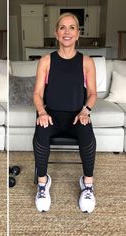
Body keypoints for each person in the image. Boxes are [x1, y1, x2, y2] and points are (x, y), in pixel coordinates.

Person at [33, 12, 97, 213]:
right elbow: (36, 94)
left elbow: (93, 94)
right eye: (62, 27)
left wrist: (86, 111)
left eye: (72, 28)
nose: (67, 32)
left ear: (78, 34)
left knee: (88, 139)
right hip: (51, 115)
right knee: (40, 138)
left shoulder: (87, 62)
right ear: (56, 32)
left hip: (78, 116)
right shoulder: (46, 61)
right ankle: (43, 184)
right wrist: (42, 112)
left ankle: (87, 185)